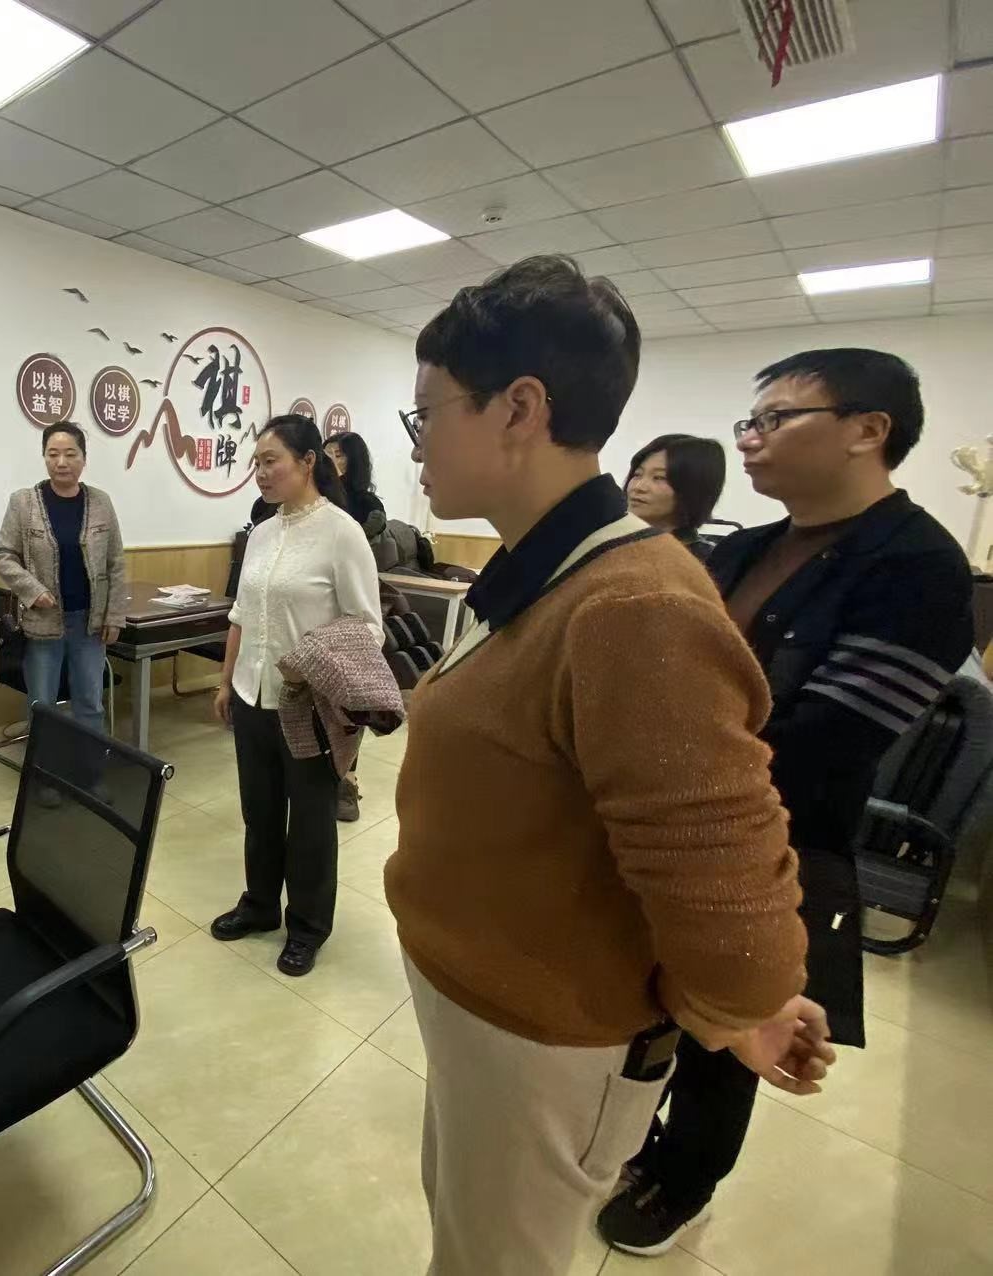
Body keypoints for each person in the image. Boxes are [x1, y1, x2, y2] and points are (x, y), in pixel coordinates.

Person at [386, 255, 833, 1276]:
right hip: (483, 1003)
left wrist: (738, 1004)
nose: (415, 444)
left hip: (544, 1039)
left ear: (519, 408)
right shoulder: (539, 569)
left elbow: (727, 883)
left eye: (427, 414)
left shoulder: (633, 604)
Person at [599, 349, 973, 1256]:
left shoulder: (919, 568)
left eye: (775, 419)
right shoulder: (745, 548)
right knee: (655, 1001)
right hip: (669, 820)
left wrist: (665, 761)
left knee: (730, 1026)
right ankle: (634, 1142)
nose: (751, 440)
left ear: (867, 430)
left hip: (778, 842)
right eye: (749, 421)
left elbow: (824, 743)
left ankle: (684, 1180)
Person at [210, 415, 382, 977]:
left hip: (308, 706)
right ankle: (260, 905)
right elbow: (241, 615)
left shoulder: (342, 533)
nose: (260, 473)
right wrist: (226, 681)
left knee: (310, 821)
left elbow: (367, 627)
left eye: (271, 461)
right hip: (251, 696)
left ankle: (307, 927)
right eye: (256, 462)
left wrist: (310, 660)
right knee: (259, 813)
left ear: (308, 462)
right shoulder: (262, 532)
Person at [0, 422, 127, 739]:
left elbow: (116, 563)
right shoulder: (24, 502)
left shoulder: (101, 502)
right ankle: (44, 769)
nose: (61, 462)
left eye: (70, 454)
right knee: (42, 706)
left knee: (90, 703)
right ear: (44, 457)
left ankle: (89, 765)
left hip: (90, 624)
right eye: (53, 454)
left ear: (84, 458)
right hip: (42, 624)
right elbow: (3, 555)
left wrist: (114, 616)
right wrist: (33, 591)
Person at [324, 431, 387, 822]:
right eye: (326, 453)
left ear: (354, 461)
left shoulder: (367, 505)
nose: (331, 460)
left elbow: (363, 544)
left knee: (348, 701)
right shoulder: (313, 498)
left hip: (353, 609)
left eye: (339, 454)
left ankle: (347, 780)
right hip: (316, 611)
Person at [623, 433, 726, 561]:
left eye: (659, 477)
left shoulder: (705, 562)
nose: (638, 487)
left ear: (695, 488)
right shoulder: (616, 545)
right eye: (637, 474)